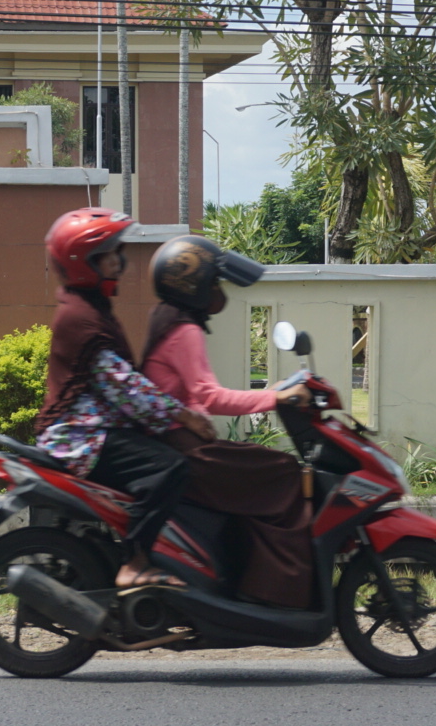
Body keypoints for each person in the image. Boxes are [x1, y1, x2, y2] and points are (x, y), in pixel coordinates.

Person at [34, 207, 215, 590]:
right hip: (80, 438)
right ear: (85, 263)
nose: (120, 260)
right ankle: (135, 562)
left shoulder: (87, 308)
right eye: (109, 253)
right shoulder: (82, 317)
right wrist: (184, 417)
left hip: (90, 432)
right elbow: (124, 387)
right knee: (168, 469)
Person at [139, 234, 316, 609]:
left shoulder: (166, 317)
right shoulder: (184, 330)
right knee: (283, 471)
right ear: (196, 286)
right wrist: (276, 397)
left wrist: (272, 391)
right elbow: (210, 397)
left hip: (175, 441)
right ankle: (269, 587)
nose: (219, 291)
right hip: (183, 449)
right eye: (214, 282)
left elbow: (192, 396)